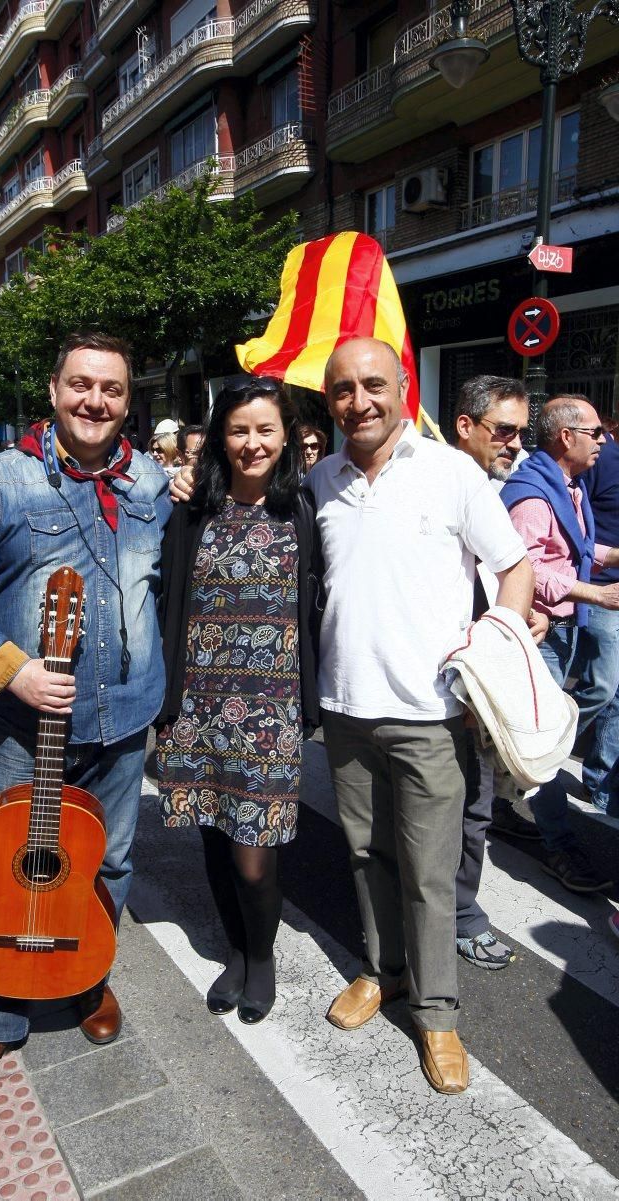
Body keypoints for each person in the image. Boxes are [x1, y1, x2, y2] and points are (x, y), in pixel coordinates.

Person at [0, 331, 171, 1112]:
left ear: (129, 401)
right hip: (26, 724)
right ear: (54, 388)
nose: (95, 400)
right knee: (16, 867)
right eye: (80, 384)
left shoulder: (152, 483)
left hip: (126, 717)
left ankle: (85, 977)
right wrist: (14, 668)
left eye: (112, 389)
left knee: (111, 862)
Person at [309, 337, 532, 1095]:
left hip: (432, 716)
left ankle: (438, 1013)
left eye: (374, 384)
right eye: (343, 389)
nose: (359, 401)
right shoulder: (319, 481)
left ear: (404, 386)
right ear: (329, 400)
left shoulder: (453, 472)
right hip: (344, 713)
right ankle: (385, 972)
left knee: (431, 875)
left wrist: (494, 646)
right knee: (367, 857)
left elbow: (515, 567)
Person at [157, 377, 322, 1024]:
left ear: (286, 437)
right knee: (216, 839)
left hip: (271, 709)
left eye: (264, 430)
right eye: (238, 429)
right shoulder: (190, 506)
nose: (251, 443)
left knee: (256, 857)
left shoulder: (306, 506)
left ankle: (263, 955)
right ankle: (235, 950)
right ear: (219, 436)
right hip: (197, 702)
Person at [452, 375, 551, 970]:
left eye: (522, 432)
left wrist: (522, 619)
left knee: (476, 807)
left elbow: (508, 573)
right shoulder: (436, 486)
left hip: (480, 685)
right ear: (466, 426)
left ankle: (461, 912)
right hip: (435, 685)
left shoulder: (493, 490)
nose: (516, 444)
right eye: (505, 431)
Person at [501, 397, 619, 892]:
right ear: (566, 437)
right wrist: (595, 591)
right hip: (540, 631)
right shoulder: (534, 496)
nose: (604, 440)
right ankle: (557, 844)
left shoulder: (567, 486)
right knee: (546, 739)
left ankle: (501, 789)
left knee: (560, 722)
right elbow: (523, 566)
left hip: (565, 625)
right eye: (595, 432)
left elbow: (578, 552)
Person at [568, 415, 619, 816]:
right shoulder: (600, 460)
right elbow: (579, 529)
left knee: (618, 695)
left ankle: (600, 784)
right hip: (601, 592)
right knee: (601, 686)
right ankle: (540, 744)